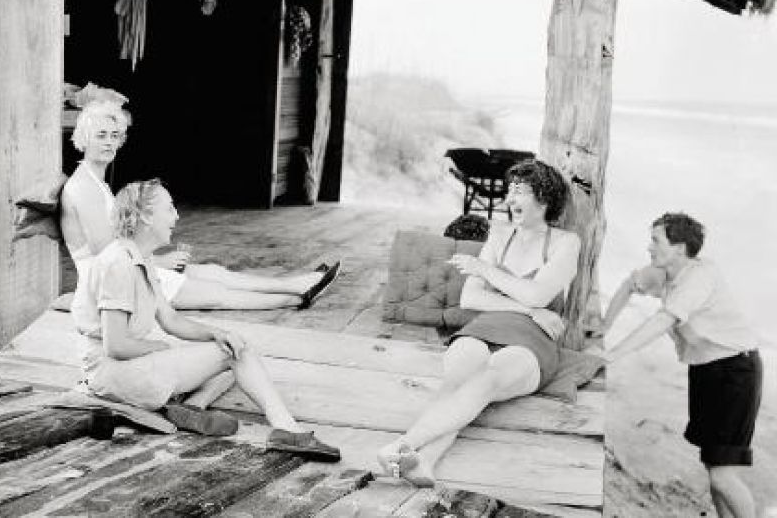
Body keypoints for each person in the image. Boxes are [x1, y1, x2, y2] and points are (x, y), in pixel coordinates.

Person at [71, 178, 341, 460]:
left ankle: (189, 407)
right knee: (238, 355)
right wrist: (165, 350)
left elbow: (171, 320)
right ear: (145, 217)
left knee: (230, 349)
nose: (176, 216)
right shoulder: (118, 263)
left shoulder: (142, 258)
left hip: (126, 368)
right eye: (169, 208)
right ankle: (288, 430)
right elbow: (116, 346)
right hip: (112, 374)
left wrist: (216, 333)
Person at [376, 159, 581, 486]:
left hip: (534, 339)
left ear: (543, 197)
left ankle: (402, 445)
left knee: (486, 381)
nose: (509, 200)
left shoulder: (565, 242)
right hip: (488, 325)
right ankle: (424, 462)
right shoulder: (500, 235)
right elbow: (471, 298)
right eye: (508, 192)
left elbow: (539, 295)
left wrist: (486, 270)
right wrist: (528, 309)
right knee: (458, 381)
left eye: (519, 192)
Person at [60, 100, 340, 312]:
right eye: (101, 136)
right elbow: (106, 258)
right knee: (217, 293)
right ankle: (297, 295)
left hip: (124, 269)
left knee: (214, 273)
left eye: (114, 135)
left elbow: (117, 246)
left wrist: (152, 254)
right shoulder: (83, 188)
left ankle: (298, 282)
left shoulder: (97, 183)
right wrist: (156, 261)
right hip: (110, 283)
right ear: (84, 138)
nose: (109, 143)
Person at [596, 213, 762, 518]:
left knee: (723, 476)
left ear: (680, 247)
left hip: (735, 372)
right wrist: (606, 325)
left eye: (656, 240)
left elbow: (663, 320)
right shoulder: (663, 272)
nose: (649, 247)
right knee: (713, 466)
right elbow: (628, 285)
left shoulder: (700, 276)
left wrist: (612, 354)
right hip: (705, 372)